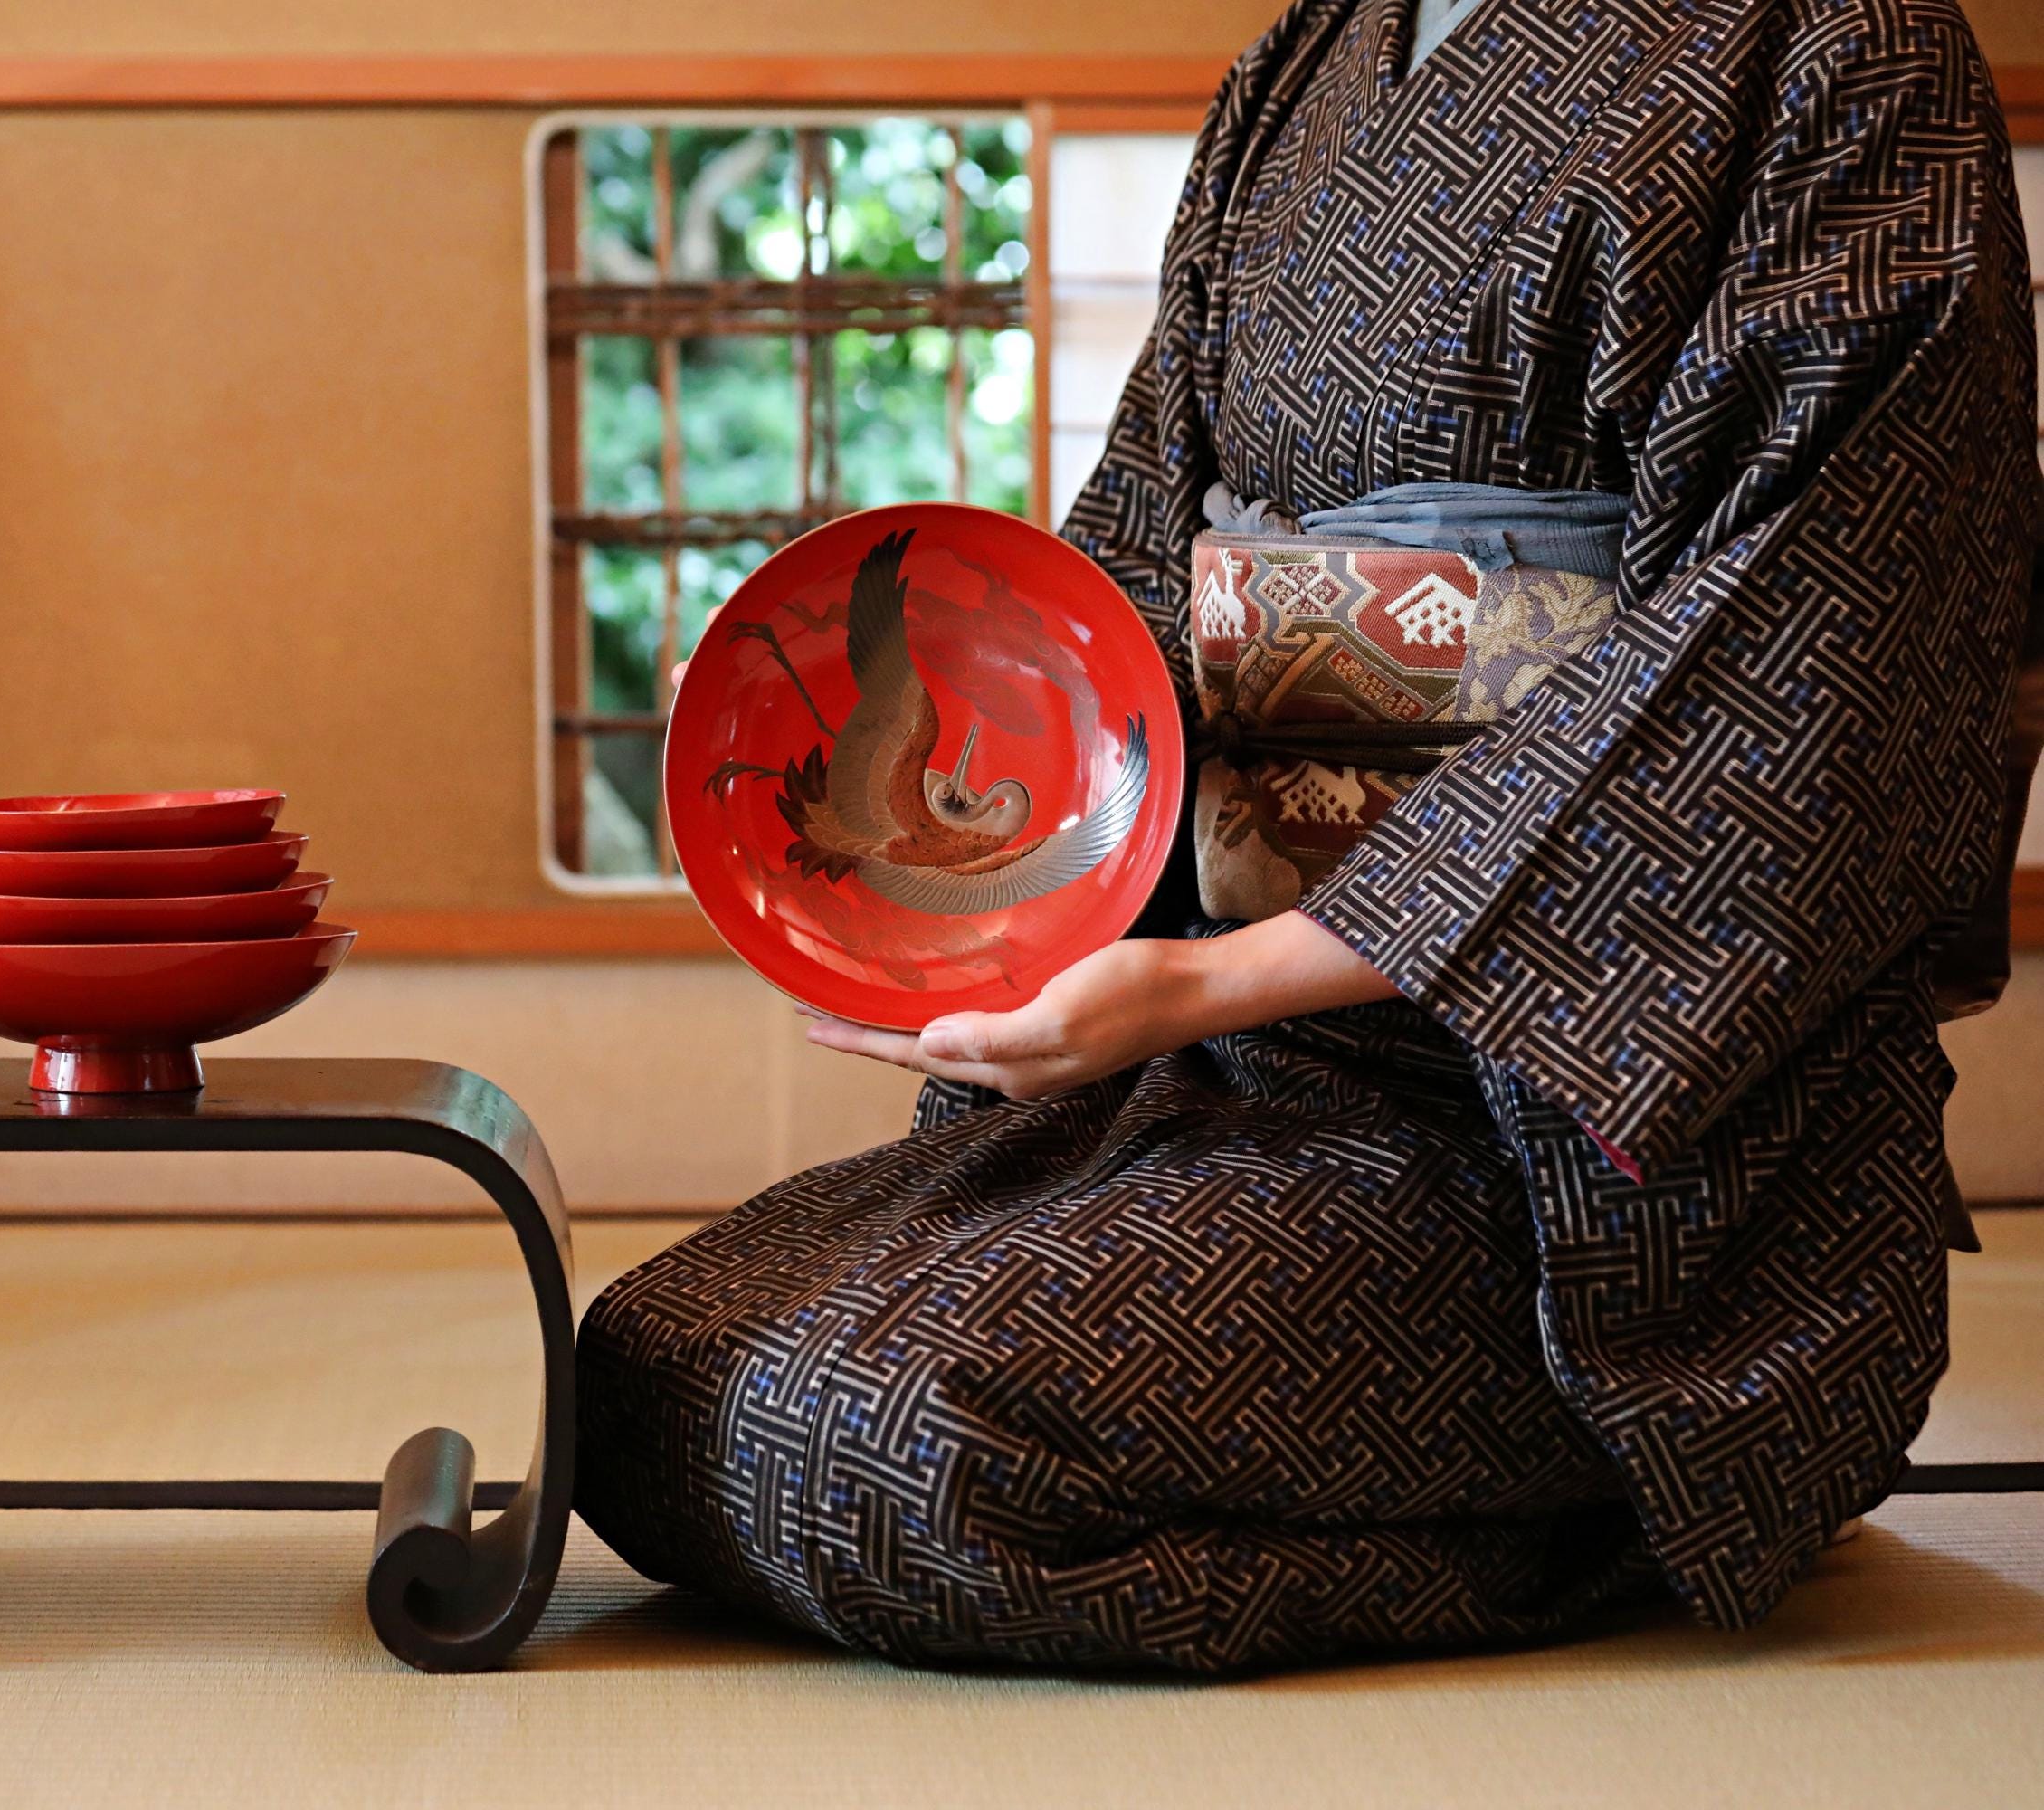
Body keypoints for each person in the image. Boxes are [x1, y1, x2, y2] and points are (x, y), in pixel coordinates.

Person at [573, 0, 2044, 1672]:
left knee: (896, 1441)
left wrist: (1204, 990)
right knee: (652, 1361)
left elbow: (1815, 654)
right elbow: (1130, 567)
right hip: (1236, 1076)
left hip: (1589, 1158)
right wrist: (991, 895)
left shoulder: (1844, 48)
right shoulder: (1310, 58)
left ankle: (1651, 1488)